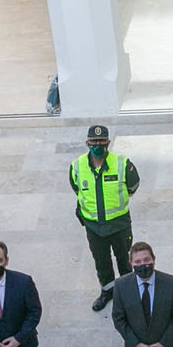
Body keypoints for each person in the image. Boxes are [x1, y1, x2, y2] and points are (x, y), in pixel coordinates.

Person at [70, 124, 140, 311]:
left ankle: (128, 293)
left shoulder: (123, 164)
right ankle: (107, 291)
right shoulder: (77, 166)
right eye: (94, 141)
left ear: (108, 142)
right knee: (101, 262)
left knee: (124, 260)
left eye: (101, 141)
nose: (97, 145)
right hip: (94, 227)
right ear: (87, 143)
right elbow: (77, 189)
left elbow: (133, 187)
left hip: (119, 225)